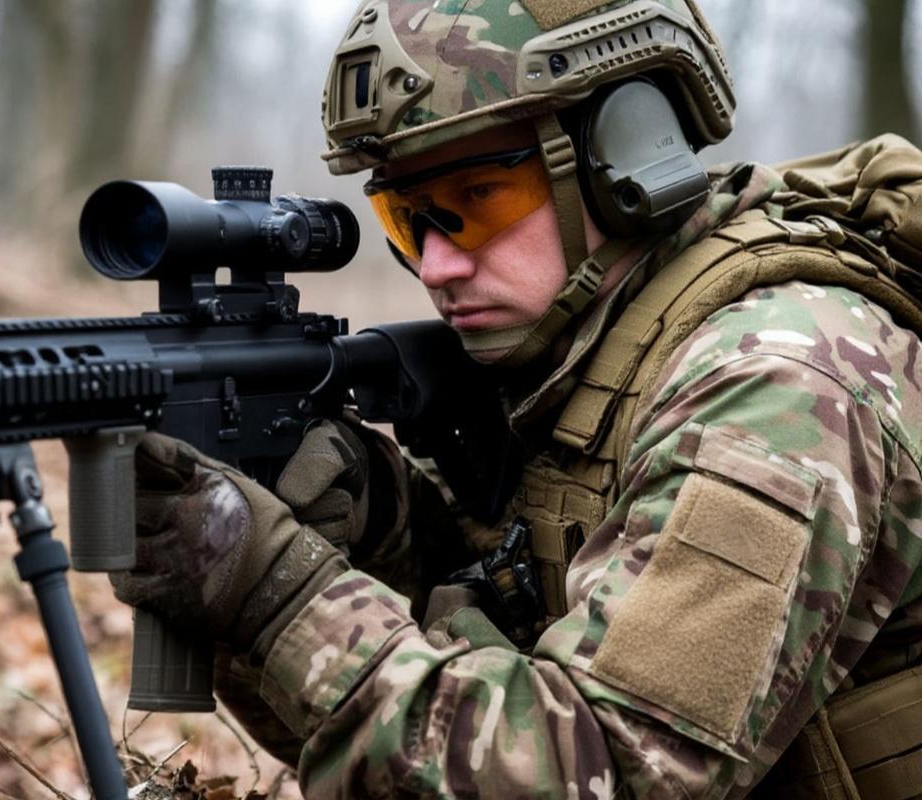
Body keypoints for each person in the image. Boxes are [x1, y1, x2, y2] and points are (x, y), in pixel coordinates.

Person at [111, 1, 922, 797]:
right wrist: (384, 531)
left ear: (626, 160)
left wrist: (279, 592)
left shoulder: (778, 381)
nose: (435, 267)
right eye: (408, 219)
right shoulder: (573, 353)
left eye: (477, 201)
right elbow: (491, 659)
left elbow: (604, 770)